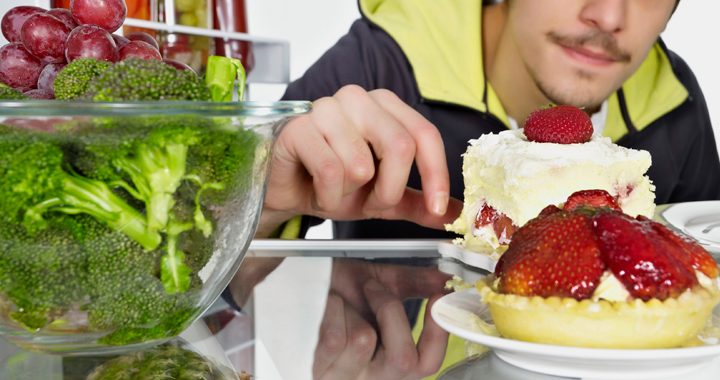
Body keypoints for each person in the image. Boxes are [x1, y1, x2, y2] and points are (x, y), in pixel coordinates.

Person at [252, 0, 720, 378]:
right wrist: (261, 198)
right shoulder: (380, 60)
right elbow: (202, 269)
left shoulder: (674, 102)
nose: (610, 16)